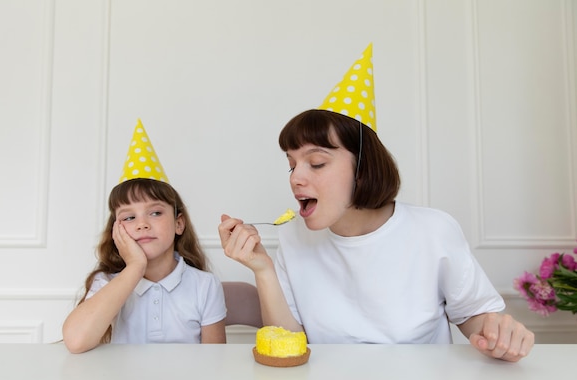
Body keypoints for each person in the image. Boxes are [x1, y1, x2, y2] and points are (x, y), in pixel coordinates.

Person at [218, 44, 534, 362]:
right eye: (291, 164)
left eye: (315, 163)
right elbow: (288, 346)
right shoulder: (294, 237)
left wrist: (500, 334)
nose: (295, 177)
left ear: (362, 167)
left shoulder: (433, 230)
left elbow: (475, 317)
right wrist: (263, 269)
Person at [63, 121, 226, 353]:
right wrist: (135, 267)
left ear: (179, 223)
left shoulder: (204, 285)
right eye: (129, 218)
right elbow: (76, 341)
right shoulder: (107, 283)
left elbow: (215, 361)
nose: (142, 224)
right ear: (116, 231)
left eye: (156, 212)